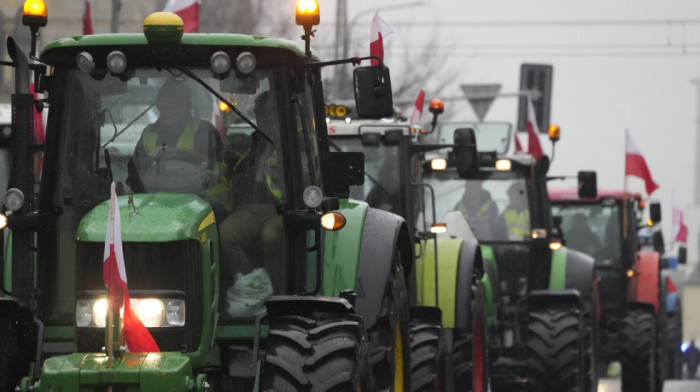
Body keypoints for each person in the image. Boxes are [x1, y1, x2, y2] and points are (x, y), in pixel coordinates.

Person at [218, 90, 283, 317]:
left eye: (271, 111)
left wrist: (280, 173)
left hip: (281, 208)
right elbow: (252, 174)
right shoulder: (258, 140)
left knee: (271, 236)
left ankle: (280, 294)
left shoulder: (295, 139)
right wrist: (235, 164)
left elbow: (306, 174)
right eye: (261, 112)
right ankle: (253, 288)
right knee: (224, 235)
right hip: (249, 208)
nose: (264, 117)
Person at [127, 79, 222, 193]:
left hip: (197, 200)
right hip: (153, 199)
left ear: (186, 106)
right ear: (158, 105)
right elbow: (134, 176)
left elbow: (217, 172)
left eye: (172, 104)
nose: (167, 110)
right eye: (163, 106)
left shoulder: (204, 131)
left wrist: (178, 157)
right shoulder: (149, 133)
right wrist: (152, 159)